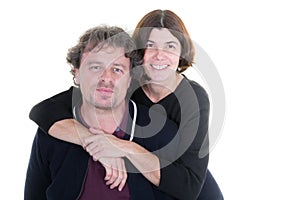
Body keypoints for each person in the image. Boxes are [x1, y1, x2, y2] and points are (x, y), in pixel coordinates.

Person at [29, 9, 223, 200]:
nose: (159, 55)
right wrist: (99, 145)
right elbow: (45, 110)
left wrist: (123, 148)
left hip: (189, 183)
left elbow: (189, 186)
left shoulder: (192, 99)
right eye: (150, 45)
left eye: (170, 46)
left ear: (182, 52)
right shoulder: (127, 80)